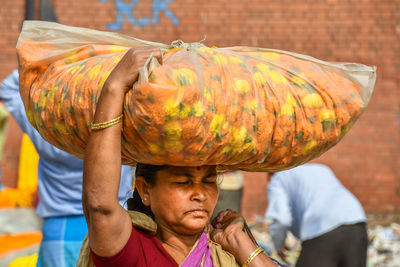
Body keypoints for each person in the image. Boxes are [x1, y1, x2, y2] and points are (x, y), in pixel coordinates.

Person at [78, 46, 285, 267]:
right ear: (145, 189)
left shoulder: (225, 252)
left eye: (208, 182)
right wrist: (115, 86)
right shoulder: (135, 250)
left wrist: (239, 241)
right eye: (183, 182)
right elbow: (100, 205)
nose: (200, 195)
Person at [0, 70, 134, 267]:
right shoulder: (116, 130)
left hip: (60, 230)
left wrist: (54, 61)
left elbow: (8, 87)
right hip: (115, 225)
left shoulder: (43, 130)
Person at [265, 163, 368, 267]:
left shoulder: (277, 179)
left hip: (322, 228)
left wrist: (278, 246)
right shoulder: (321, 168)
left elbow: (281, 219)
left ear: (270, 174)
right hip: (356, 221)